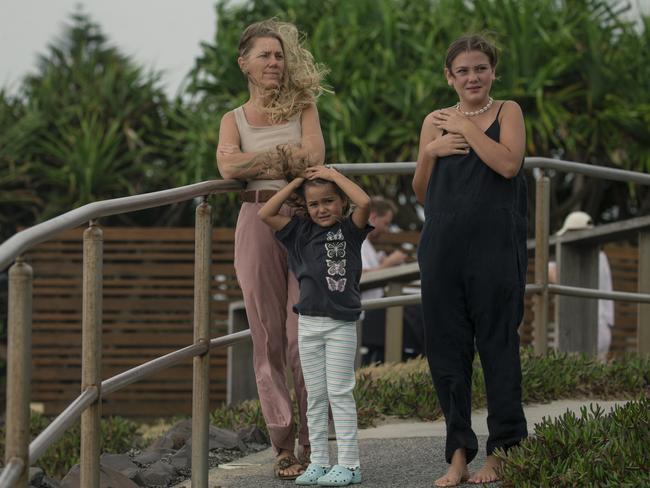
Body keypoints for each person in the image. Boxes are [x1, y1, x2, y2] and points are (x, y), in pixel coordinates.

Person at [412, 34, 528, 486]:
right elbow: (422, 192)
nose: (472, 77)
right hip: (441, 247)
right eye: (463, 70)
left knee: (499, 347)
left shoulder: (508, 112)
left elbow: (508, 165)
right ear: (449, 76)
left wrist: (466, 130)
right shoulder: (434, 121)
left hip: (496, 247)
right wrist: (429, 152)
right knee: (446, 352)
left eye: (480, 68)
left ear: (492, 71)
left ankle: (503, 451)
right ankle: (457, 454)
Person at [216, 19, 328, 479]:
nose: (274, 62)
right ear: (244, 62)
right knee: (266, 338)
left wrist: (258, 160)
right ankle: (283, 444)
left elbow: (314, 159)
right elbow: (227, 167)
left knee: (305, 335)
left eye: (279, 55)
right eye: (264, 55)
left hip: (302, 220)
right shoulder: (233, 118)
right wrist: (284, 158)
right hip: (256, 219)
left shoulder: (304, 105)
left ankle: (313, 440)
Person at [258, 165, 371, 486]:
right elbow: (266, 213)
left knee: (340, 392)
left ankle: (350, 465)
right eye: (314, 204)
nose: (322, 209)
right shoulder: (299, 232)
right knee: (316, 396)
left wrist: (333, 175)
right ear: (305, 207)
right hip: (307, 324)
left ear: (340, 203)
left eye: (329, 201)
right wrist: (296, 182)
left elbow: (364, 203)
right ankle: (320, 461)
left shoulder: (350, 230)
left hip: (340, 325)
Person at [361, 196, 425, 363]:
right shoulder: (358, 242)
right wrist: (390, 263)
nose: (386, 229)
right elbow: (359, 277)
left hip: (376, 312)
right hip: (369, 314)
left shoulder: (367, 245)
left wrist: (382, 262)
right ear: (373, 217)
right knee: (417, 313)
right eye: (386, 223)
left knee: (417, 311)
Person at [549, 211, 614, 361]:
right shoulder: (602, 256)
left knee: (574, 372)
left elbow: (551, 273)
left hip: (585, 326)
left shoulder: (582, 257)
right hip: (603, 326)